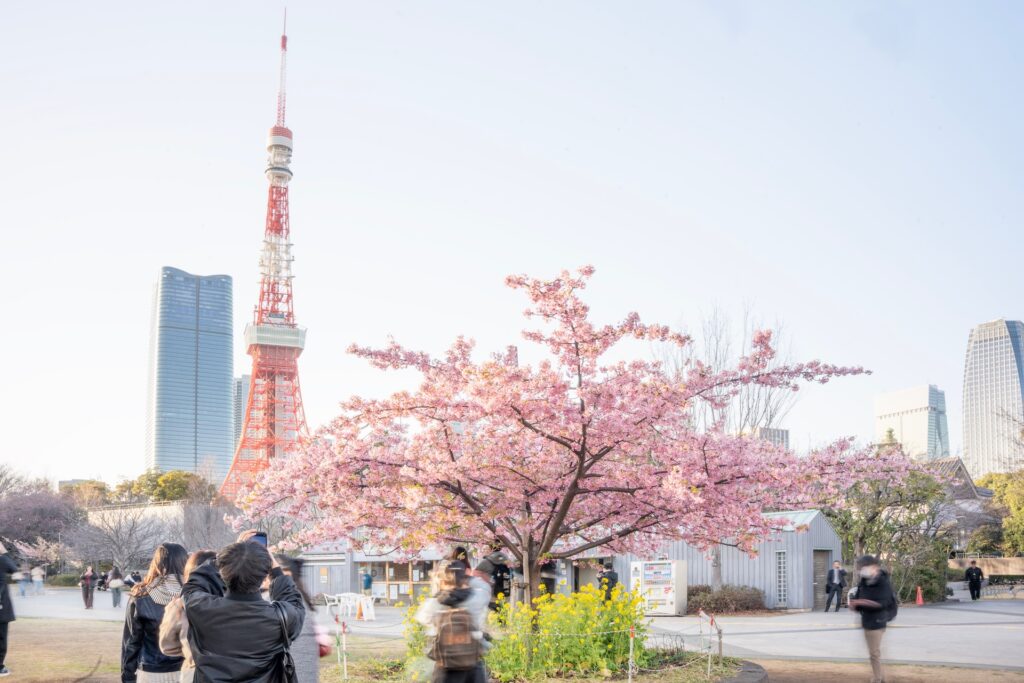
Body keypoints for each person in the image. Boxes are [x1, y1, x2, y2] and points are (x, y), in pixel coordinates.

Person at [181, 535, 305, 682]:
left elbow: (193, 586)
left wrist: (230, 557)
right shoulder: (281, 618)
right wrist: (276, 570)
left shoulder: (200, 608)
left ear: (223, 570)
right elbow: (292, 600)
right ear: (265, 574)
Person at [122, 543, 188, 682]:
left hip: (151, 670)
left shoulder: (141, 596)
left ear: (157, 563)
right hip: (186, 671)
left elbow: (131, 642)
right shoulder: (195, 595)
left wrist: (127, 676)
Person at [416, 561, 488, 683]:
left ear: (441, 579)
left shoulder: (434, 603)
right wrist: (468, 578)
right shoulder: (478, 597)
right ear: (464, 577)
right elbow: (485, 587)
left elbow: (423, 618)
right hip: (472, 663)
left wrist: (438, 587)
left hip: (445, 665)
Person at [159, 550, 216, 683]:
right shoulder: (231, 601)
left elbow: (167, 646)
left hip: (193, 671)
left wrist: (189, 652)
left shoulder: (179, 605)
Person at [848, 555, 897, 683]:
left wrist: (861, 602)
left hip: (878, 621)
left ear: (873, 567)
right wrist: (855, 605)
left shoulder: (883, 582)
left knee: (874, 653)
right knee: (874, 652)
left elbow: (882, 603)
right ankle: (880, 676)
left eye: (862, 567)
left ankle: (877, 679)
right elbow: (858, 600)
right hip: (867, 621)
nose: (860, 570)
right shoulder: (864, 582)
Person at [279, 556, 325, 683]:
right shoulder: (299, 597)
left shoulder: (286, 601)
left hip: (295, 673)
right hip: (304, 673)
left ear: (287, 574)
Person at [0, 541, 18, 677]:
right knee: (1, 637)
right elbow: (14, 568)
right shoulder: (2, 560)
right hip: (1, 606)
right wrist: (4, 552)